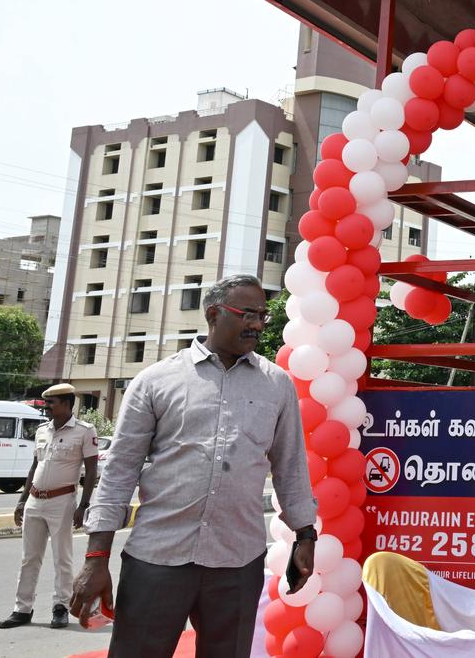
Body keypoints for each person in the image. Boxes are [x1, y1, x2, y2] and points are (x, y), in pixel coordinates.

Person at [71, 274, 318, 658]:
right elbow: (119, 472)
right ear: (213, 314)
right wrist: (96, 558)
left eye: (263, 316)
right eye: (247, 314)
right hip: (158, 557)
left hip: (238, 560)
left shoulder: (277, 385)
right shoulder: (155, 381)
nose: (256, 324)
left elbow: (290, 467)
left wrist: (306, 535)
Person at [0, 383, 98, 630]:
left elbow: (92, 470)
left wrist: (84, 505)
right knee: (28, 558)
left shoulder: (84, 431)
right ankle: (22, 609)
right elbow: (35, 467)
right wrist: (22, 500)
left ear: (66, 403)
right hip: (34, 501)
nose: (47, 407)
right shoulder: (42, 430)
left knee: (61, 558)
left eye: (51, 403)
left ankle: (60, 607)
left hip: (62, 502)